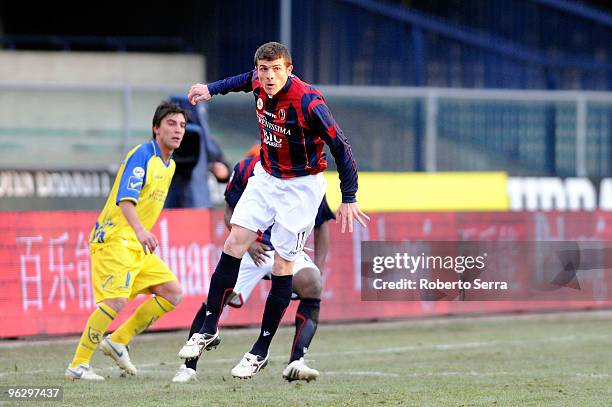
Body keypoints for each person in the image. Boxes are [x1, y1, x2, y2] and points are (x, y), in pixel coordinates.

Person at [178, 41, 369, 379]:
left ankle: (260, 351)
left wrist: (349, 196)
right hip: (267, 176)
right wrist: (209, 89)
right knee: (234, 241)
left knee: (284, 264)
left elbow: (340, 145)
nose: (268, 77)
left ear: (289, 70)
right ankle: (208, 328)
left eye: (276, 69)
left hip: (302, 187)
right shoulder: (257, 82)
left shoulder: (310, 103)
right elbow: (240, 80)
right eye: (264, 70)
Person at [173, 149, 334, 383]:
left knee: (313, 284)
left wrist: (318, 267)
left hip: (285, 250)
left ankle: (296, 361)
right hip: (253, 248)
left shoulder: (306, 174)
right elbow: (229, 213)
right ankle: (189, 367)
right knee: (214, 301)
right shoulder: (246, 169)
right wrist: (250, 245)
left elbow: (322, 223)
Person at [65, 101, 187, 381]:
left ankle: (118, 341)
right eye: (170, 123)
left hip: (136, 245)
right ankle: (78, 365)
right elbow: (125, 199)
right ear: (156, 129)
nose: (177, 130)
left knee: (172, 292)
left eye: (181, 125)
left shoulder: (170, 165)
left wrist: (141, 235)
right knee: (116, 300)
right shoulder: (143, 154)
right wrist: (142, 231)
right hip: (115, 238)